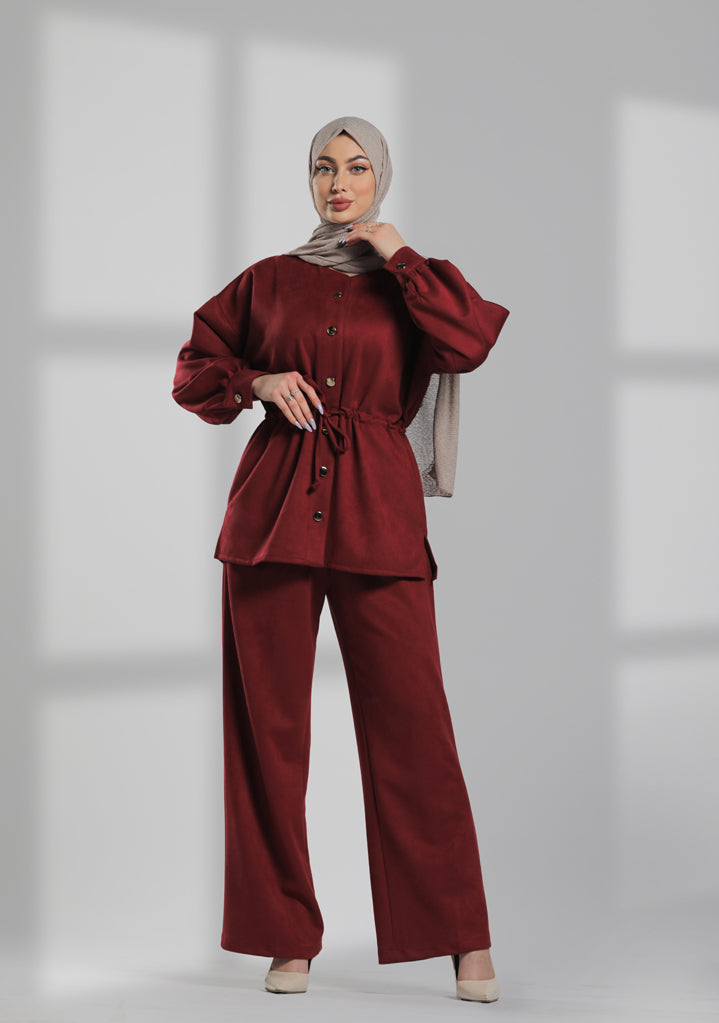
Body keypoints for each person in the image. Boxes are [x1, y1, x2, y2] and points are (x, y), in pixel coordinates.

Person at [172, 115, 509, 1003]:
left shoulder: (415, 281)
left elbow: (469, 341)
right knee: (268, 738)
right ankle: (285, 935)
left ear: (379, 178)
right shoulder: (267, 280)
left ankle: (461, 935)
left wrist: (397, 253)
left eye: (357, 167)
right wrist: (255, 380)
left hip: (379, 523)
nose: (338, 182)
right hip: (270, 522)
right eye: (324, 166)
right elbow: (192, 367)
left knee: (414, 730)